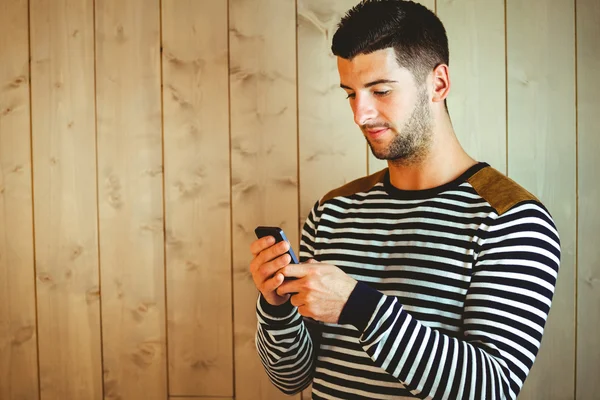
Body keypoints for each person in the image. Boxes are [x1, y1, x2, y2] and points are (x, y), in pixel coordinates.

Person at [249, 0, 560, 399]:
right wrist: (276, 309)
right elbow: (291, 379)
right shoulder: (333, 210)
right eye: (351, 94)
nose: (361, 114)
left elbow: (492, 389)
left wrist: (359, 306)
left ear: (439, 84)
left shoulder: (511, 219)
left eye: (380, 90)